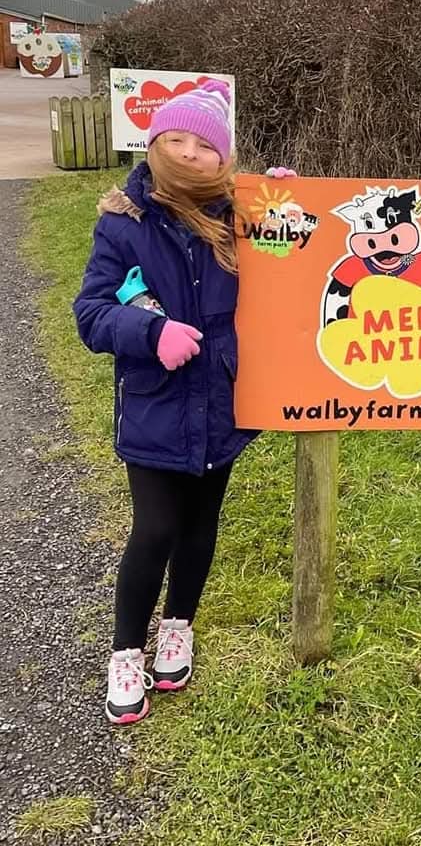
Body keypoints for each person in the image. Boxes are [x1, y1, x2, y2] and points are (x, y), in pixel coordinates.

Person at [74, 80, 265, 724]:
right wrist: (150, 332)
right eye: (176, 139)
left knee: (200, 527)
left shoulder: (241, 216)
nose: (189, 154)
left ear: (224, 157)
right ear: (154, 145)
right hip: (155, 407)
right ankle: (127, 652)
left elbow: (298, 253)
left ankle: (178, 626)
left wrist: (289, 204)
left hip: (220, 403)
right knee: (155, 529)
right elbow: (91, 313)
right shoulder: (123, 222)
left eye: (204, 146)